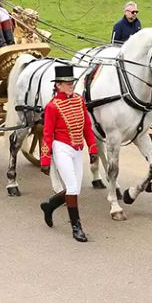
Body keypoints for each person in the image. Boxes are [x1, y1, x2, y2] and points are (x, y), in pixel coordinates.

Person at [39, 65, 98, 242]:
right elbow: (47, 134)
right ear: (58, 85)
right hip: (61, 147)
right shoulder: (52, 107)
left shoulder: (79, 100)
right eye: (67, 83)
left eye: (72, 82)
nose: (71, 85)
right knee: (72, 187)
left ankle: (49, 206)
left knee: (75, 189)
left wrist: (93, 148)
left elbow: (87, 126)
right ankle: (76, 226)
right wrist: (45, 159)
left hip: (77, 149)